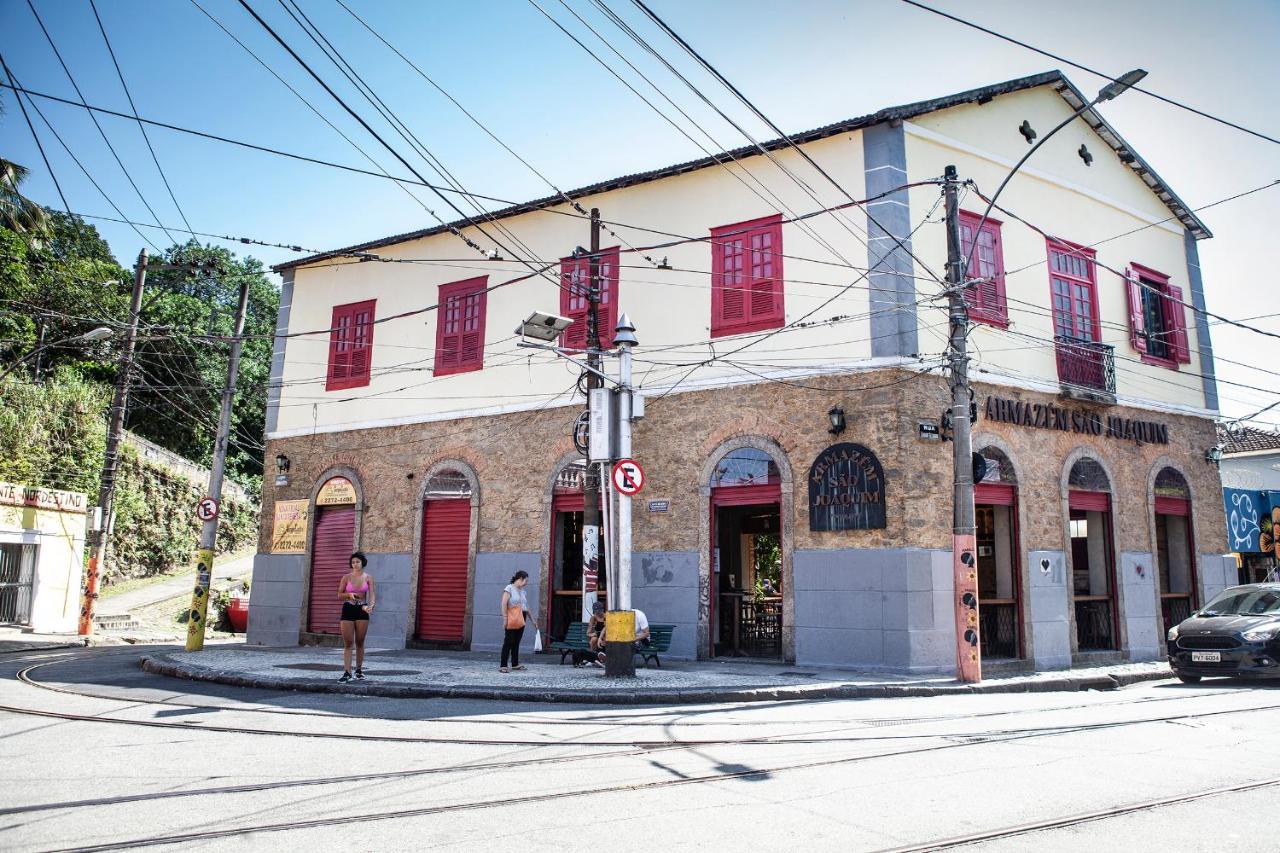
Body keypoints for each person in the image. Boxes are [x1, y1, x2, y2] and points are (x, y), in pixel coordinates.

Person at [336, 552, 375, 683]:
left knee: (360, 641)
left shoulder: (368, 578)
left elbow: (372, 594)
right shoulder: (346, 577)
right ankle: (347, 672)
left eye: (357, 562)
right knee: (348, 643)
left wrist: (371, 605)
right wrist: (349, 595)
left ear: (362, 563)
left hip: (362, 610)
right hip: (348, 609)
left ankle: (358, 670)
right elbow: (339, 595)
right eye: (353, 562)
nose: (355, 564)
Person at [500, 570, 532, 673]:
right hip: (512, 616)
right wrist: (505, 618)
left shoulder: (522, 591)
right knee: (508, 641)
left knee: (516, 642)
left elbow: (526, 606)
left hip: (521, 616)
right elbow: (504, 604)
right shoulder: (509, 588)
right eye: (525, 581)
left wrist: (533, 620)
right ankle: (503, 665)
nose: (526, 583)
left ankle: (515, 664)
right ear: (520, 579)